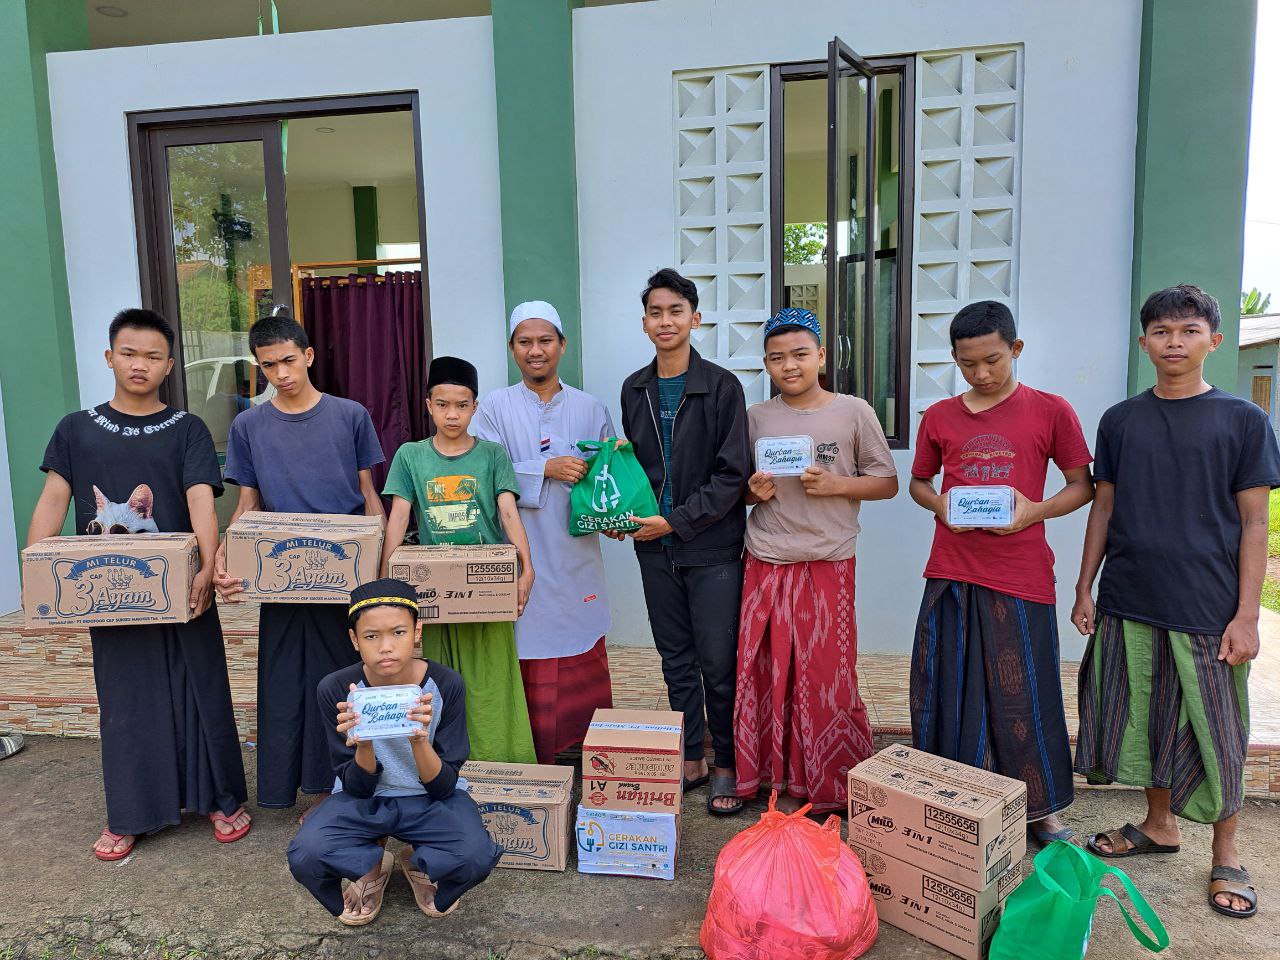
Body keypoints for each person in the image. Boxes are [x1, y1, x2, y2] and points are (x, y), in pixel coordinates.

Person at [1073, 285, 1279, 920]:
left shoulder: (1243, 421)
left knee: (1217, 729)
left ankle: (1227, 853)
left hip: (1208, 607)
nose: (1174, 342)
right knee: (1148, 718)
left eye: (1189, 331)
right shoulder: (1121, 420)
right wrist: (1084, 587)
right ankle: (1158, 825)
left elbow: (1254, 523)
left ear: (1214, 341)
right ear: (1144, 343)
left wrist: (1247, 614)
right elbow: (1103, 507)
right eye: (1162, 332)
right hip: (1131, 597)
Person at [28, 308, 250, 860]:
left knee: (201, 689)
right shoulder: (76, 429)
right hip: (109, 593)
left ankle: (219, 799)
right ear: (109, 357)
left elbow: (201, 499)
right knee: (126, 700)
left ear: (170, 366)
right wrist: (39, 572)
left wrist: (208, 564)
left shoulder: (187, 428)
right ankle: (131, 812)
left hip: (181, 590)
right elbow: (54, 500)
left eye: (153, 356)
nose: (139, 365)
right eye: (129, 353)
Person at [908, 300, 1093, 846]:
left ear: (1016, 349)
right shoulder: (939, 416)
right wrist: (940, 506)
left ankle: (1040, 811)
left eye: (993, 360)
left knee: (1026, 695)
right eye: (968, 364)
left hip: (1021, 575)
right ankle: (953, 801)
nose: (982, 374)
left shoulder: (1051, 410)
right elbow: (920, 482)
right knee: (948, 689)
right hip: (951, 571)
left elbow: (1082, 485)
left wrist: (1033, 512)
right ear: (954, 359)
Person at [213, 313, 385, 812]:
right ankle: (286, 788)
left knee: (347, 680)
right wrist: (225, 552)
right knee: (283, 683)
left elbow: (367, 494)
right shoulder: (248, 425)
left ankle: (347, 786)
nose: (281, 373)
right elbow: (248, 503)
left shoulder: (350, 415)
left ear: (308, 356)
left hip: (343, 574)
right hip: (283, 575)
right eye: (269, 366)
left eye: (288, 360)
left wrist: (381, 562)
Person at [734, 309, 898, 814]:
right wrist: (752, 492)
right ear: (766, 364)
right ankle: (770, 778)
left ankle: (830, 780)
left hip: (829, 560)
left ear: (822, 356)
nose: (789, 365)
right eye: (777, 358)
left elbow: (887, 483)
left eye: (800, 354)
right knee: (768, 673)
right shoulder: (755, 418)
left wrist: (837, 484)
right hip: (766, 559)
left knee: (827, 675)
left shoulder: (854, 412)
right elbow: (737, 489)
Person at [287, 578, 502, 926]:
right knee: (308, 853)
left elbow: (444, 786)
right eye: (371, 636)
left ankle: (418, 859)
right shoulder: (336, 689)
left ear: (417, 632)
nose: (385, 647)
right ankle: (372, 865)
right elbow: (355, 787)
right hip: (365, 799)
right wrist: (364, 743)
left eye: (398, 632)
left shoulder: (446, 684)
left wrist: (419, 740)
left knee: (474, 856)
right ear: (354, 640)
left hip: (430, 798)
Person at [618, 268, 751, 815]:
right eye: (656, 312)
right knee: (674, 658)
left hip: (712, 546)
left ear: (695, 319)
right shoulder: (634, 388)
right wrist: (619, 513)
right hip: (653, 547)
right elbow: (633, 469)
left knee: (718, 663)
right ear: (644, 323)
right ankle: (690, 757)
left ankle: (726, 765)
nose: (665, 321)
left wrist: (674, 521)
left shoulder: (722, 386)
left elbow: (732, 475)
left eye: (676, 311)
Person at [473, 301, 616, 764]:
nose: (536, 351)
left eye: (545, 341)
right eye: (525, 342)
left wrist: (614, 516)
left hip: (575, 552)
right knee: (526, 645)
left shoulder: (590, 407)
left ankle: (581, 745)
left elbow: (608, 476)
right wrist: (545, 468)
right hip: (520, 551)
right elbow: (478, 474)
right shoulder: (491, 408)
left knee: (580, 638)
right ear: (512, 348)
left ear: (562, 345)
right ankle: (529, 750)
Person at [380, 356, 537, 763]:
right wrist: (384, 581)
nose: (453, 414)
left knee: (493, 678)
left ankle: (502, 761)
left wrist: (526, 567)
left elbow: (508, 512)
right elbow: (399, 516)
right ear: (428, 405)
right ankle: (446, 766)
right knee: (440, 679)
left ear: (474, 407)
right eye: (443, 404)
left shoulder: (492, 455)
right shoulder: (410, 456)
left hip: (487, 587)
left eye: (462, 405)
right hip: (437, 593)